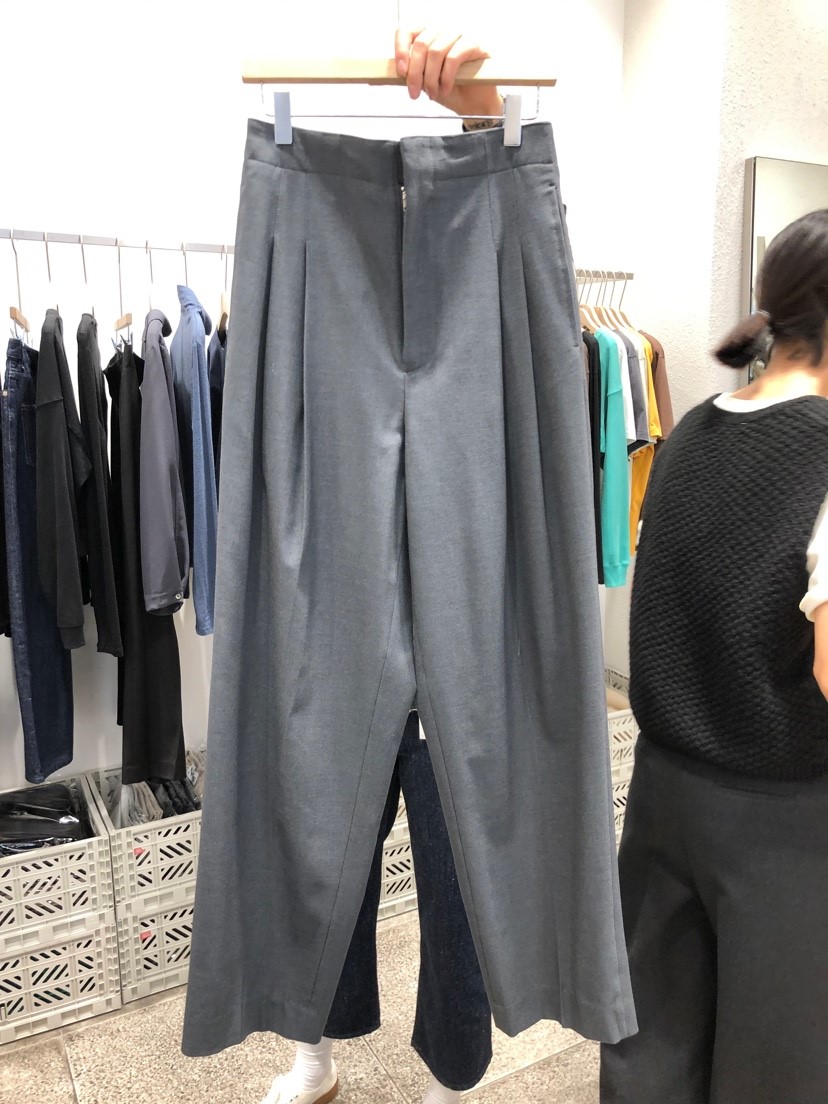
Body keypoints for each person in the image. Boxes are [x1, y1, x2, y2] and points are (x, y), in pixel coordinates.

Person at [260, 29, 505, 1104]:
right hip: (342, 618)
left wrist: (483, 124)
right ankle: (311, 1052)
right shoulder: (302, 296)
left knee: (457, 859)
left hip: (461, 629)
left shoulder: (486, 313)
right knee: (323, 841)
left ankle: (454, 1070)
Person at [600, 209, 828, 1104]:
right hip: (784, 822)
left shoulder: (694, 428)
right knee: (777, 1072)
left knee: (651, 1055)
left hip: (663, 796)